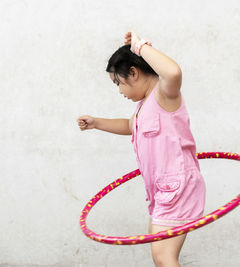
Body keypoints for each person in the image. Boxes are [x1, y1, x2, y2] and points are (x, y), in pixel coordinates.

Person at [77, 31, 206, 267]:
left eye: (119, 83)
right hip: (162, 189)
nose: (119, 91)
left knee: (164, 256)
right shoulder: (142, 108)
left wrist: (140, 47)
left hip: (176, 185)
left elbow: (173, 72)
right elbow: (129, 126)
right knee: (161, 257)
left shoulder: (165, 95)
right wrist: (97, 123)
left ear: (134, 73)